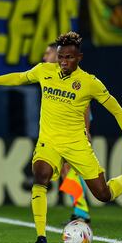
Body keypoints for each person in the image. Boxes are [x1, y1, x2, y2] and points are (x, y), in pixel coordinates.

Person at [0, 31, 122, 243]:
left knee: (103, 194)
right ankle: (41, 238)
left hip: (76, 145)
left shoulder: (90, 83)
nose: (63, 62)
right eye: (60, 57)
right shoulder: (44, 70)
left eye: (69, 57)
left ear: (79, 57)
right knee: (40, 177)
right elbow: (19, 77)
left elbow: (118, 111)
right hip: (48, 142)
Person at [43, 42, 92, 224]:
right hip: (62, 133)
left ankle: (82, 211)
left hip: (72, 132)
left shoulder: (72, 76)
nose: (45, 57)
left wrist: (85, 130)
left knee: (70, 171)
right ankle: (80, 209)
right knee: (67, 172)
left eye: (47, 54)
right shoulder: (55, 76)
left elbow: (86, 105)